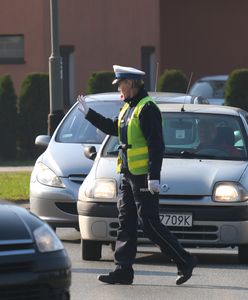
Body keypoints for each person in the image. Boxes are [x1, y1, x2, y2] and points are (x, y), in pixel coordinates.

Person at [77, 65, 197, 285]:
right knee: (126, 222)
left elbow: (156, 144)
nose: (119, 88)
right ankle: (123, 270)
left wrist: (154, 176)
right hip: (127, 174)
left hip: (143, 177)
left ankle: (185, 260)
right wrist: (88, 114)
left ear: (130, 84)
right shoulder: (128, 107)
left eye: (121, 84)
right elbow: (114, 129)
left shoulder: (147, 108)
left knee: (150, 224)